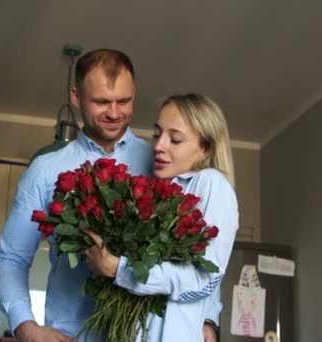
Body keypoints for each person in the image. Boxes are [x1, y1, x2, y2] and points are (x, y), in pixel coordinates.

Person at [0, 49, 221, 342]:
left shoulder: (163, 159)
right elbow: (11, 257)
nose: (114, 113)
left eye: (124, 101)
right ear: (76, 97)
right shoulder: (45, 170)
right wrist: (25, 327)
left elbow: (199, 251)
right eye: (101, 102)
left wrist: (209, 320)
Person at [84, 93, 238, 341]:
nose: (158, 145)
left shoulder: (211, 184)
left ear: (205, 147)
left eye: (174, 139)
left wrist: (118, 268)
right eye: (157, 134)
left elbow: (204, 279)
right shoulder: (156, 188)